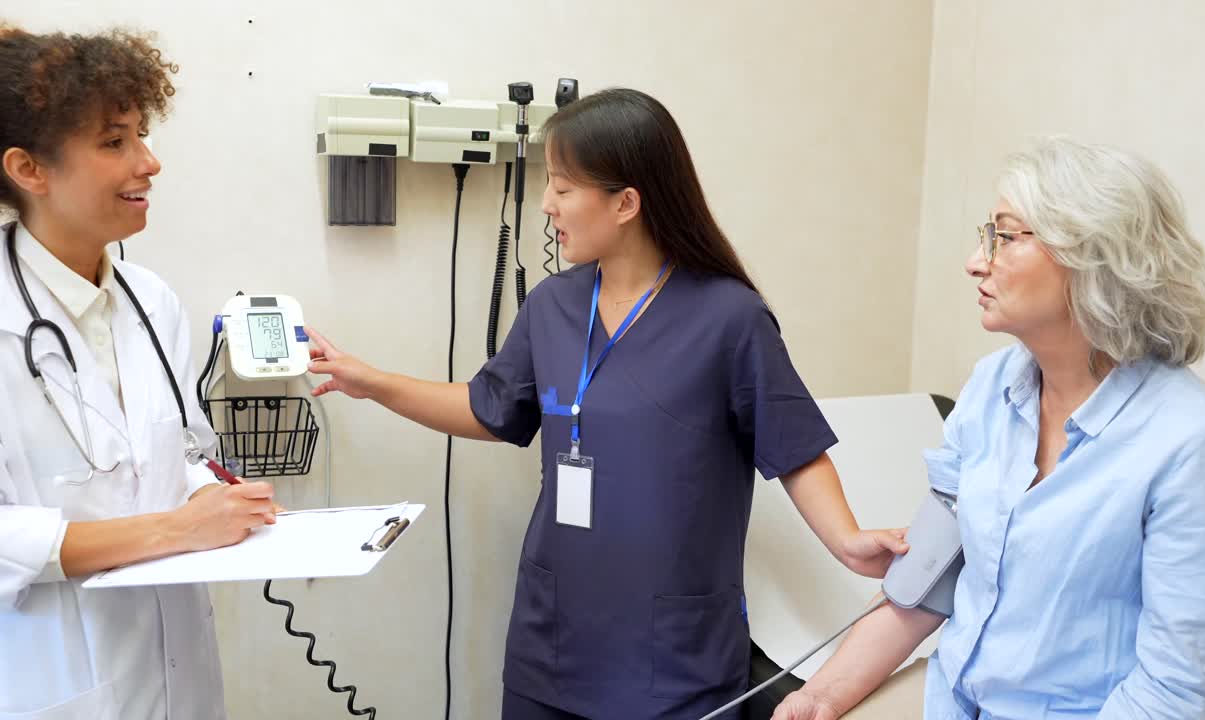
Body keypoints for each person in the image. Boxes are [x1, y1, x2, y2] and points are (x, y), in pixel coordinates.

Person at [306, 88, 907, 719]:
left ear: (626, 203)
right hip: (552, 644)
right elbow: (490, 408)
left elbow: (794, 448)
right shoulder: (553, 306)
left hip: (673, 657)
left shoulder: (730, 318)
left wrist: (846, 540)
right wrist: (371, 382)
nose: (546, 204)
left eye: (563, 187)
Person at [772, 137, 1205, 720]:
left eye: (1005, 237)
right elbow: (925, 584)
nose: (975, 261)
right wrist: (816, 699)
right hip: (954, 699)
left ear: (1095, 257)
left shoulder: (1199, 448)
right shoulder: (992, 387)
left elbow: (1178, 693)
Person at [0, 26, 276, 719]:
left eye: (142, 136)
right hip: (52, 682)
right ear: (29, 169)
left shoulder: (151, 302)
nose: (149, 163)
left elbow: (180, 453)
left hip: (179, 674)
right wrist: (179, 530)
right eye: (113, 142)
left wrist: (226, 502)